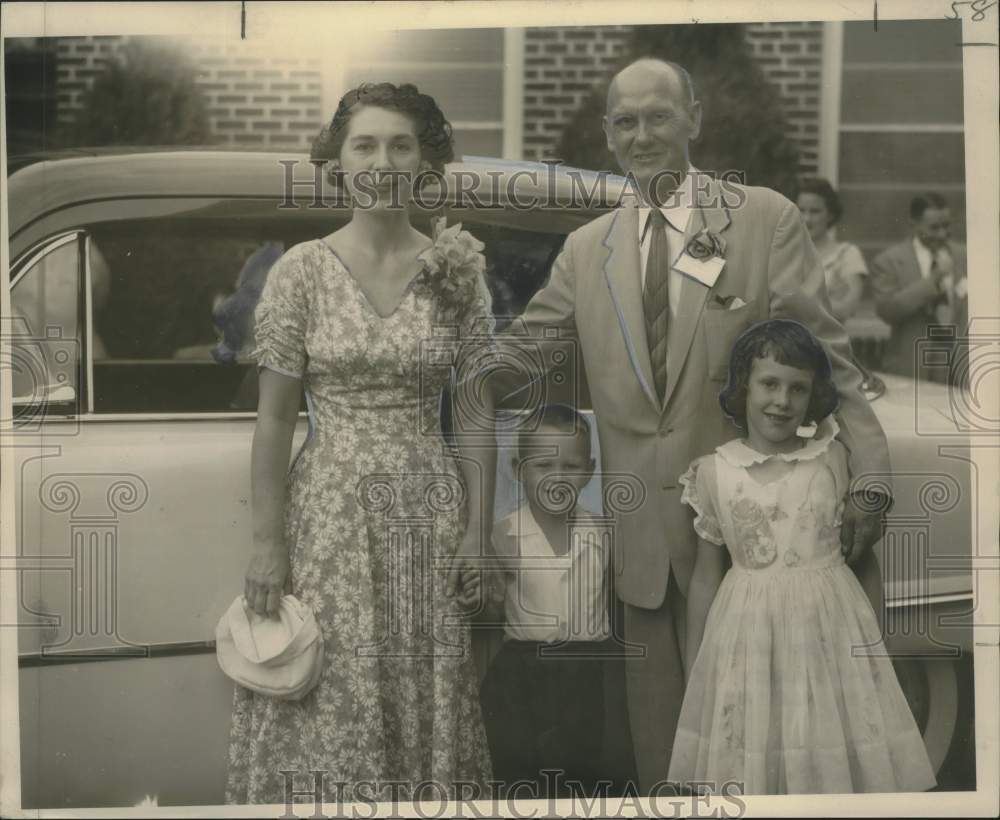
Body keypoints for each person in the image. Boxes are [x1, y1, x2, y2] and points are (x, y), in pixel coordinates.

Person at [490, 57, 891, 791]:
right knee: (662, 758)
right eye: (625, 122)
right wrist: (431, 366)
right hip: (641, 541)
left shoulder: (764, 219)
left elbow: (827, 359)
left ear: (694, 120)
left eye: (658, 117)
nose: (641, 136)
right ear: (609, 135)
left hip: (745, 542)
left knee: (754, 744)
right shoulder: (587, 250)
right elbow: (521, 352)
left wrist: (871, 481)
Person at [225, 82, 494, 805]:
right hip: (329, 520)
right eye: (364, 145)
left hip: (427, 513)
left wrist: (475, 534)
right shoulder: (301, 273)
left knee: (418, 680)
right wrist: (266, 543)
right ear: (338, 163)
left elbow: (472, 411)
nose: (382, 162)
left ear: (425, 161)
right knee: (329, 686)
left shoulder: (457, 272)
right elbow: (276, 420)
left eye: (401, 144)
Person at [668, 319, 936, 794]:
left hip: (830, 639)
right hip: (748, 640)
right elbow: (706, 579)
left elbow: (862, 563)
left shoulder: (832, 460)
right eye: (769, 383)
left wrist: (874, 650)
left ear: (813, 396)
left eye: (798, 389)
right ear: (743, 387)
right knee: (758, 754)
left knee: (828, 750)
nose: (782, 401)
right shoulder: (712, 474)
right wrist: (698, 668)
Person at [479, 404, 611, 798]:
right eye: (544, 467)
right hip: (524, 669)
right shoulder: (504, 535)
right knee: (521, 773)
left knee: (582, 774)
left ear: (588, 471)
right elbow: (487, 610)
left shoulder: (601, 532)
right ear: (520, 470)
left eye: (570, 467)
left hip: (587, 670)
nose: (557, 479)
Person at [870, 192, 969, 383]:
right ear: (913, 225)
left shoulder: (964, 256)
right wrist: (935, 278)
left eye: (946, 226)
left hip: (959, 368)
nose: (942, 234)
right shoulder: (889, 261)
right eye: (934, 228)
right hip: (911, 366)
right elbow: (888, 310)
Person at [796, 178, 868, 322]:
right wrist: (826, 298)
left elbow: (846, 308)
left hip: (825, 342)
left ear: (830, 214)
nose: (807, 219)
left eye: (815, 211)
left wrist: (791, 299)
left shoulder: (847, 254)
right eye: (801, 210)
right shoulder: (782, 253)